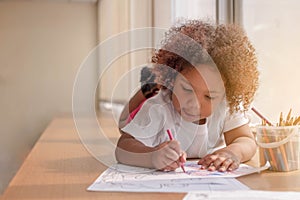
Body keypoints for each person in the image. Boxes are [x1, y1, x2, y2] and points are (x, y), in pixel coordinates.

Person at [115, 20, 259, 172]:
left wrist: (232, 153)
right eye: (187, 89)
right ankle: (148, 86)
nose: (194, 104)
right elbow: (123, 148)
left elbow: (246, 140)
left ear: (226, 94)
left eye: (209, 97)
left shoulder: (225, 106)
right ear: (172, 78)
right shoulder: (158, 108)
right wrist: (152, 156)